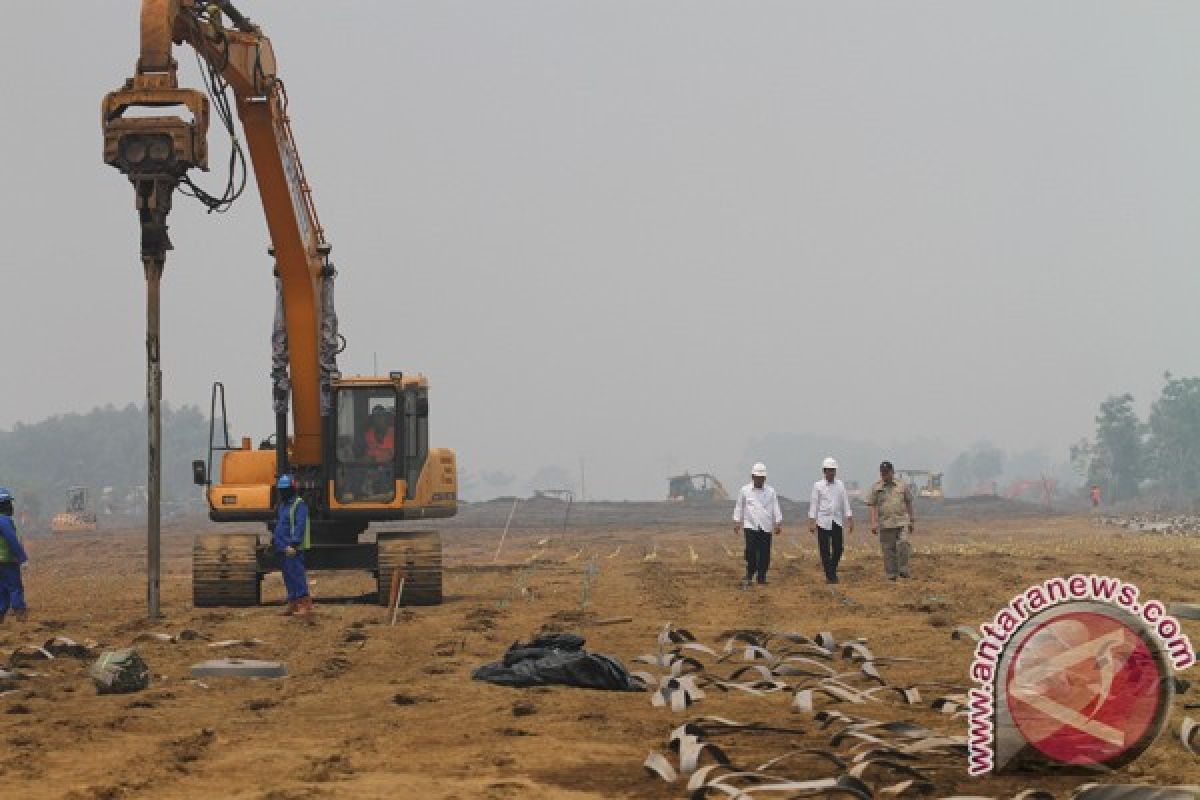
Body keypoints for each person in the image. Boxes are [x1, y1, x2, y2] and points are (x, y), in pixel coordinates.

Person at [732, 463, 783, 589]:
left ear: (765, 478)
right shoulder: (745, 490)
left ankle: (761, 577)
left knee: (765, 553)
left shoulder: (771, 491)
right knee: (750, 551)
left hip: (765, 526)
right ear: (752, 476)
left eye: (762, 477)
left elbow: (775, 507)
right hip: (750, 525)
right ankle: (750, 572)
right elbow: (739, 506)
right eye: (757, 477)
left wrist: (778, 522)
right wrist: (737, 521)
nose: (759, 479)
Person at [807, 457, 854, 584]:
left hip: (836, 520)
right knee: (824, 550)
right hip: (822, 521)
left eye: (833, 470)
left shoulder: (840, 485)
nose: (832, 473)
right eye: (829, 470)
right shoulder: (818, 486)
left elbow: (845, 502)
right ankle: (831, 576)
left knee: (839, 548)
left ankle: (831, 570)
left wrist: (849, 518)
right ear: (824, 471)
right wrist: (812, 521)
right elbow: (814, 504)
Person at [866, 461, 914, 581]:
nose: (884, 475)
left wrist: (912, 519)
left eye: (887, 473)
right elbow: (872, 505)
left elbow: (908, 502)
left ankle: (903, 569)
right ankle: (891, 575)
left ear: (892, 472)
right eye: (882, 473)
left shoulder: (902, 486)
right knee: (888, 550)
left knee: (904, 544)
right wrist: (873, 522)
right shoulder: (876, 487)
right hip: (885, 523)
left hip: (902, 521)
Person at [273, 475, 313, 616]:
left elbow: (300, 525)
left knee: (297, 575)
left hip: (293, 547)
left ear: (292, 489)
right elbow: (281, 525)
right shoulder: (283, 505)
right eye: (281, 489)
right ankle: (293, 603)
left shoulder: (299, 504)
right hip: (282, 546)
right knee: (288, 576)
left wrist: (294, 544)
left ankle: (305, 604)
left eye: (285, 489)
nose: (283, 492)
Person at [0, 488, 29, 622]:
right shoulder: (4, 520)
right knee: (15, 587)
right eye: (7, 503)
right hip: (7, 561)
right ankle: (20, 614)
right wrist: (22, 558)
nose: (10, 506)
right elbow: (12, 539)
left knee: (3, 589)